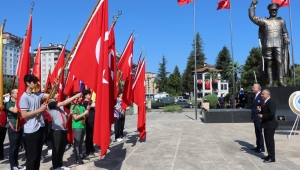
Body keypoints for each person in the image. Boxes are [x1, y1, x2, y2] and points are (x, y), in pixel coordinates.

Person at [19, 74, 57, 170]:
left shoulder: (37, 94)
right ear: (27, 83)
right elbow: (24, 115)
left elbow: (52, 95)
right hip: (31, 130)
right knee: (32, 157)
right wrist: (40, 110)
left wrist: (55, 86)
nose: (36, 84)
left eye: (36, 82)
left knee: (38, 155)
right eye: (34, 82)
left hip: (40, 127)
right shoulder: (24, 97)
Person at [249, 1, 290, 87]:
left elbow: (284, 32)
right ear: (269, 11)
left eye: (275, 10)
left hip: (279, 43)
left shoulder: (281, 21)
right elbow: (253, 17)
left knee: (279, 62)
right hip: (268, 44)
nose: (274, 11)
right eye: (272, 10)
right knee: (269, 63)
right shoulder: (265, 21)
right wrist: (253, 6)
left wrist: (286, 38)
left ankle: (280, 81)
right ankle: (270, 82)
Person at [47, 92, 83, 170]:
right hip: (56, 130)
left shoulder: (59, 104)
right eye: (56, 93)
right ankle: (55, 166)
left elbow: (62, 116)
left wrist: (69, 114)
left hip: (63, 129)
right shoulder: (50, 104)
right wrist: (76, 96)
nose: (58, 94)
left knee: (62, 148)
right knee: (56, 149)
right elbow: (63, 102)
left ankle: (60, 164)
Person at [5, 89, 25, 170]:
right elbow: (15, 110)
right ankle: (13, 165)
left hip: (20, 126)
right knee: (13, 147)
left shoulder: (19, 103)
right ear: (12, 95)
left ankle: (16, 164)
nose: (18, 94)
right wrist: (18, 101)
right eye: (17, 93)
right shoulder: (8, 104)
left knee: (17, 147)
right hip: (13, 127)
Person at [258, 89, 278, 163]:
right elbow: (266, 111)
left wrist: (263, 116)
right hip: (266, 124)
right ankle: (269, 155)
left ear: (268, 95)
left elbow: (272, 113)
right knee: (267, 140)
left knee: (270, 141)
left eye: (263, 94)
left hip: (270, 125)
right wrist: (260, 111)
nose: (261, 95)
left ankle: (272, 158)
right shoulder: (265, 102)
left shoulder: (271, 102)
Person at [70, 92, 89, 164]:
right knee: (77, 143)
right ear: (75, 98)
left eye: (81, 97)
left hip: (83, 126)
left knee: (81, 142)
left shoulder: (82, 106)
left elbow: (86, 116)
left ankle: (80, 154)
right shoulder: (73, 107)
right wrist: (84, 113)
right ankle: (77, 157)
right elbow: (75, 117)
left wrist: (87, 110)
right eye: (80, 97)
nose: (81, 98)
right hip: (77, 126)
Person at [251, 84, 265, 153]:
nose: (252, 88)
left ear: (258, 89)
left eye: (254, 87)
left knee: (259, 132)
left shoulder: (261, 96)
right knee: (257, 132)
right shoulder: (255, 96)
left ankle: (261, 147)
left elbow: (262, 107)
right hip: (255, 117)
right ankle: (258, 146)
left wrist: (261, 117)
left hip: (259, 117)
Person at [82, 90, 96, 157]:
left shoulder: (89, 102)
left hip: (92, 120)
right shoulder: (85, 102)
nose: (90, 96)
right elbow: (94, 104)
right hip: (89, 120)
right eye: (89, 94)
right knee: (89, 136)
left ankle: (91, 148)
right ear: (85, 95)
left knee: (92, 135)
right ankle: (88, 150)